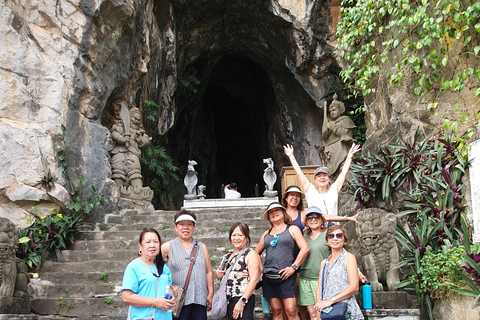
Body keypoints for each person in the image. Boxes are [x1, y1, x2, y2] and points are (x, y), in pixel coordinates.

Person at [255, 202, 309, 320]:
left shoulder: (292, 229)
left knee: (291, 310)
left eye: (277, 210)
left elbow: (305, 248)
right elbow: (256, 253)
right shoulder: (266, 234)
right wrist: (261, 269)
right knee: (276, 310)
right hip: (269, 276)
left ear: (283, 213)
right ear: (268, 217)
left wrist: (294, 267)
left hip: (286, 275)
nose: (274, 213)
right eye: (271, 212)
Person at [161, 210, 214, 320]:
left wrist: (210, 292)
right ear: (176, 227)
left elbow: (208, 271)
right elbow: (154, 266)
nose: (185, 227)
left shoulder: (201, 247)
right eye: (182, 224)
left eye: (189, 224)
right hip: (178, 301)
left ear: (194, 227)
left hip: (199, 299)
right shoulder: (167, 247)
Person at [283, 143, 361, 217]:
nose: (322, 178)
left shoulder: (333, 190)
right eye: (319, 176)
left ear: (328, 178)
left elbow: (344, 173)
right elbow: (299, 173)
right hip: (316, 226)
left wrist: (350, 155)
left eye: (324, 175)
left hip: (333, 226)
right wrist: (291, 156)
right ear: (315, 179)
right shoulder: (310, 191)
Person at [121, 228, 175, 320]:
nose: (152, 245)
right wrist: (154, 302)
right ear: (140, 246)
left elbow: (168, 289)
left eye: (155, 242)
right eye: (148, 242)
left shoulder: (164, 268)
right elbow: (126, 297)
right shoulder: (134, 267)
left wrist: (172, 297)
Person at [314, 225, 364, 320]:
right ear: (327, 241)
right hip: (328, 311)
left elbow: (354, 287)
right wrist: (318, 311)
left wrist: (331, 300)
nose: (335, 238)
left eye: (339, 235)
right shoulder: (324, 263)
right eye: (331, 236)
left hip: (345, 310)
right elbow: (319, 288)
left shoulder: (349, 258)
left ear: (344, 241)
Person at [214, 222, 261, 320]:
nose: (236, 238)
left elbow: (254, 280)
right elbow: (220, 273)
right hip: (227, 298)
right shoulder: (228, 254)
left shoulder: (251, 254)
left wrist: (242, 301)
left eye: (240, 235)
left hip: (242, 297)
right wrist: (218, 274)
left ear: (246, 238)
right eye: (233, 235)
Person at [281, 186, 359, 234]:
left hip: (303, 247)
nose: (295, 198)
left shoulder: (304, 212)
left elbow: (325, 217)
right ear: (286, 198)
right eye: (292, 195)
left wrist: (348, 218)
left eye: (297, 196)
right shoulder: (281, 214)